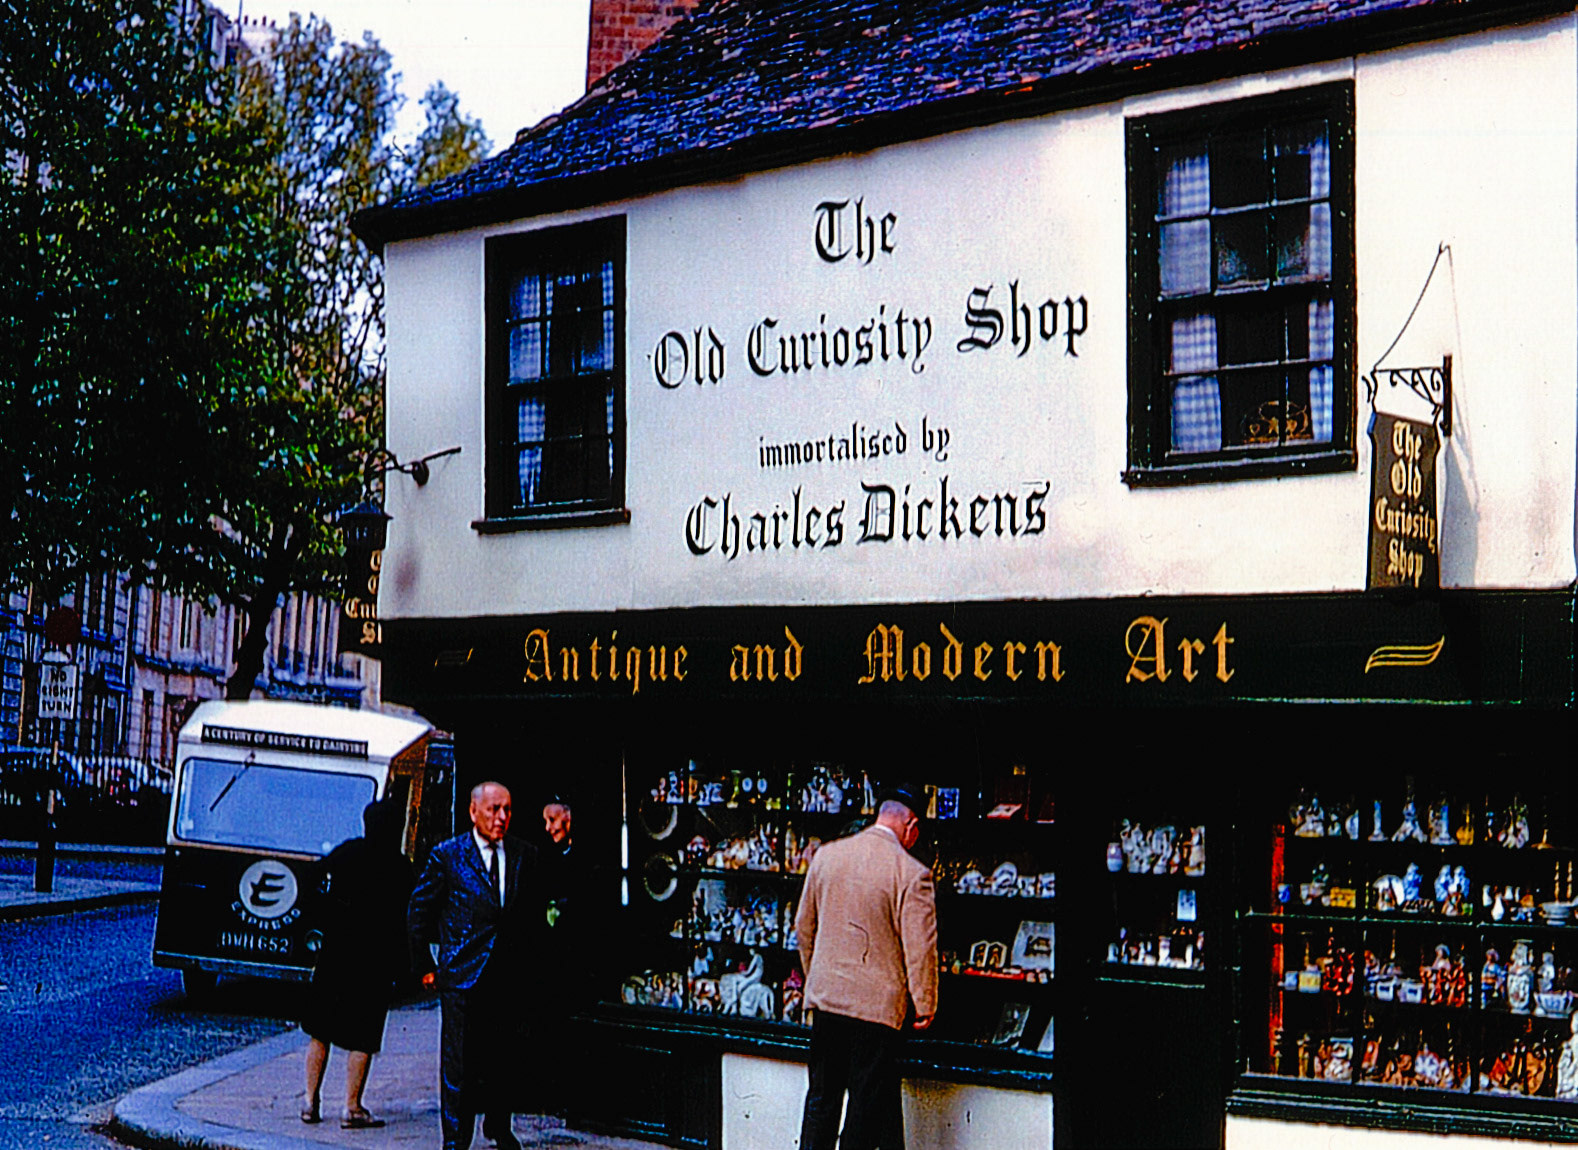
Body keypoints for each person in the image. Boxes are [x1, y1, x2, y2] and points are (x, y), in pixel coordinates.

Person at [795, 784, 938, 1150]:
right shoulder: (912, 873)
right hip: (876, 1011)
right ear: (912, 824)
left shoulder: (827, 856)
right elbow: (920, 949)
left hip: (828, 1000)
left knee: (821, 1099)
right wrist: (925, 1004)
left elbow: (803, 926)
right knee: (864, 1104)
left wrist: (817, 974)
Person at [408, 781, 538, 1150]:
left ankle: (499, 1125)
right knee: (459, 1065)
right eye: (494, 809)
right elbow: (419, 911)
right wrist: (425, 966)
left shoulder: (523, 854)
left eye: (507, 810)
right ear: (473, 811)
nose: (501, 818)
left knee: (503, 1060)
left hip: (507, 974)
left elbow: (528, 914)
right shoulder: (448, 855)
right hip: (464, 976)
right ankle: (455, 1138)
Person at [300, 797, 414, 1129]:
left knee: (320, 1030)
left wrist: (326, 914)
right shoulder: (400, 867)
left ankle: (309, 1101)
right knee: (362, 1036)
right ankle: (352, 1107)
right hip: (375, 960)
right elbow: (407, 919)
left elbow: (312, 880)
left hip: (335, 952)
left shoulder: (347, 852)